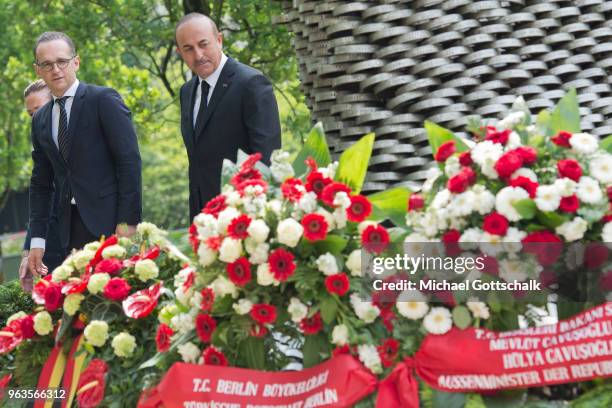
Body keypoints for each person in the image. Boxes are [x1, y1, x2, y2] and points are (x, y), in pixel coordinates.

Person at [28, 31, 142, 278]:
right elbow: (41, 184)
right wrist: (36, 240)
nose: (55, 69)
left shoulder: (103, 100)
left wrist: (127, 223)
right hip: (69, 230)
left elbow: (129, 162)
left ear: (76, 62)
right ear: (38, 70)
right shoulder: (40, 119)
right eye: (47, 64)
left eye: (62, 61)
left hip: (113, 223)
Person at [175, 13, 281, 220]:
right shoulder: (186, 92)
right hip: (202, 217)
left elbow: (267, 159)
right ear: (180, 52)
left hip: (243, 216)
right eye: (188, 49)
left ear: (219, 40)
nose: (198, 55)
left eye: (203, 44)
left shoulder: (251, 83)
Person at [19, 80, 64, 292]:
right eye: (31, 114)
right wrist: (27, 253)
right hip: (52, 255)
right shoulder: (42, 152)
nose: (36, 118)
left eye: (40, 109)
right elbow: (39, 207)